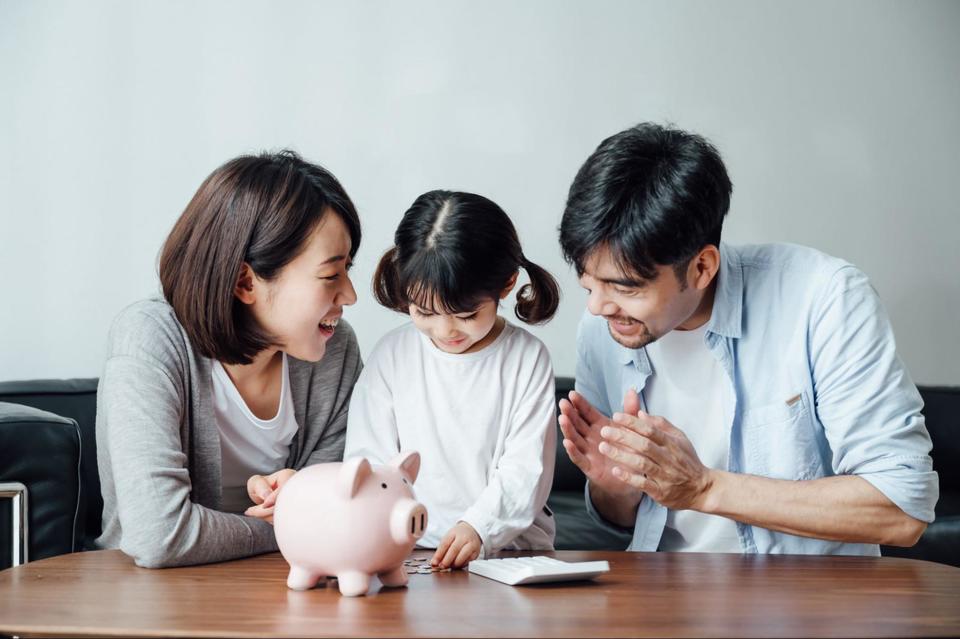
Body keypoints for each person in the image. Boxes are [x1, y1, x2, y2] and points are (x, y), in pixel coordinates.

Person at [557, 122, 937, 555]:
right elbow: (622, 521)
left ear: (702, 267)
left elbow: (902, 508)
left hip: (808, 609)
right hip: (659, 603)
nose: (597, 307)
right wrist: (617, 489)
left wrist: (704, 488)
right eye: (589, 284)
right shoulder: (604, 327)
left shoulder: (825, 299)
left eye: (625, 287)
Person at [96, 150, 363, 567]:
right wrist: (288, 525)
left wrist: (311, 512)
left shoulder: (335, 350)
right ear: (245, 281)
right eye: (330, 275)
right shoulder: (150, 338)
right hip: (150, 598)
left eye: (348, 268)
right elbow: (158, 536)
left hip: (286, 590)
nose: (349, 295)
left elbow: (337, 512)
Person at [345, 190, 560, 569]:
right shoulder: (392, 355)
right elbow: (369, 460)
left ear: (506, 284)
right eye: (424, 311)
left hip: (511, 552)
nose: (445, 330)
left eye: (465, 314)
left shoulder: (527, 359)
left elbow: (526, 472)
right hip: (410, 550)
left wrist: (478, 527)